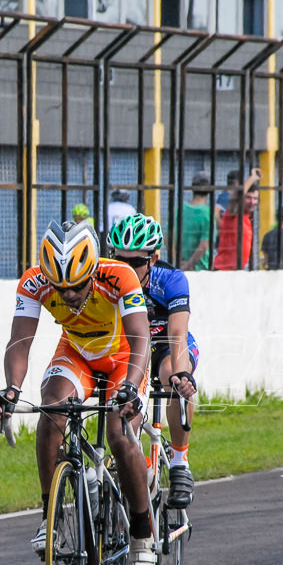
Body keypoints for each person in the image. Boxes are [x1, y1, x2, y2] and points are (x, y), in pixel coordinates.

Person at [0, 220, 158, 565]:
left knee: (118, 429)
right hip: (77, 354)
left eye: (78, 286)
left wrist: (130, 386)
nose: (68, 296)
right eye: (60, 288)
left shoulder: (120, 277)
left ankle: (142, 535)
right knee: (51, 411)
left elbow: (141, 337)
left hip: (123, 356)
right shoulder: (33, 282)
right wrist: (12, 389)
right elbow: (20, 341)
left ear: (94, 269)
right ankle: (50, 518)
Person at [106, 214, 199, 507]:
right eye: (119, 260)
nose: (126, 269)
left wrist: (182, 374)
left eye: (135, 263)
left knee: (172, 375)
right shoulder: (107, 278)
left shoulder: (171, 279)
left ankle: (180, 461)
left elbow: (178, 333)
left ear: (153, 258)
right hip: (130, 349)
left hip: (165, 347)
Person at [212, 168, 261, 271]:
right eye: (248, 197)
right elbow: (237, 196)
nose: (252, 202)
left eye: (255, 198)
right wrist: (252, 178)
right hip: (223, 270)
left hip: (235, 271)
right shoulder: (232, 214)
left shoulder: (246, 218)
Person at [179, 171, 215, 271]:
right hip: (200, 269)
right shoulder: (208, 213)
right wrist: (189, 264)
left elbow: (168, 238)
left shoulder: (179, 210)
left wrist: (179, 261)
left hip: (179, 266)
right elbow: (204, 246)